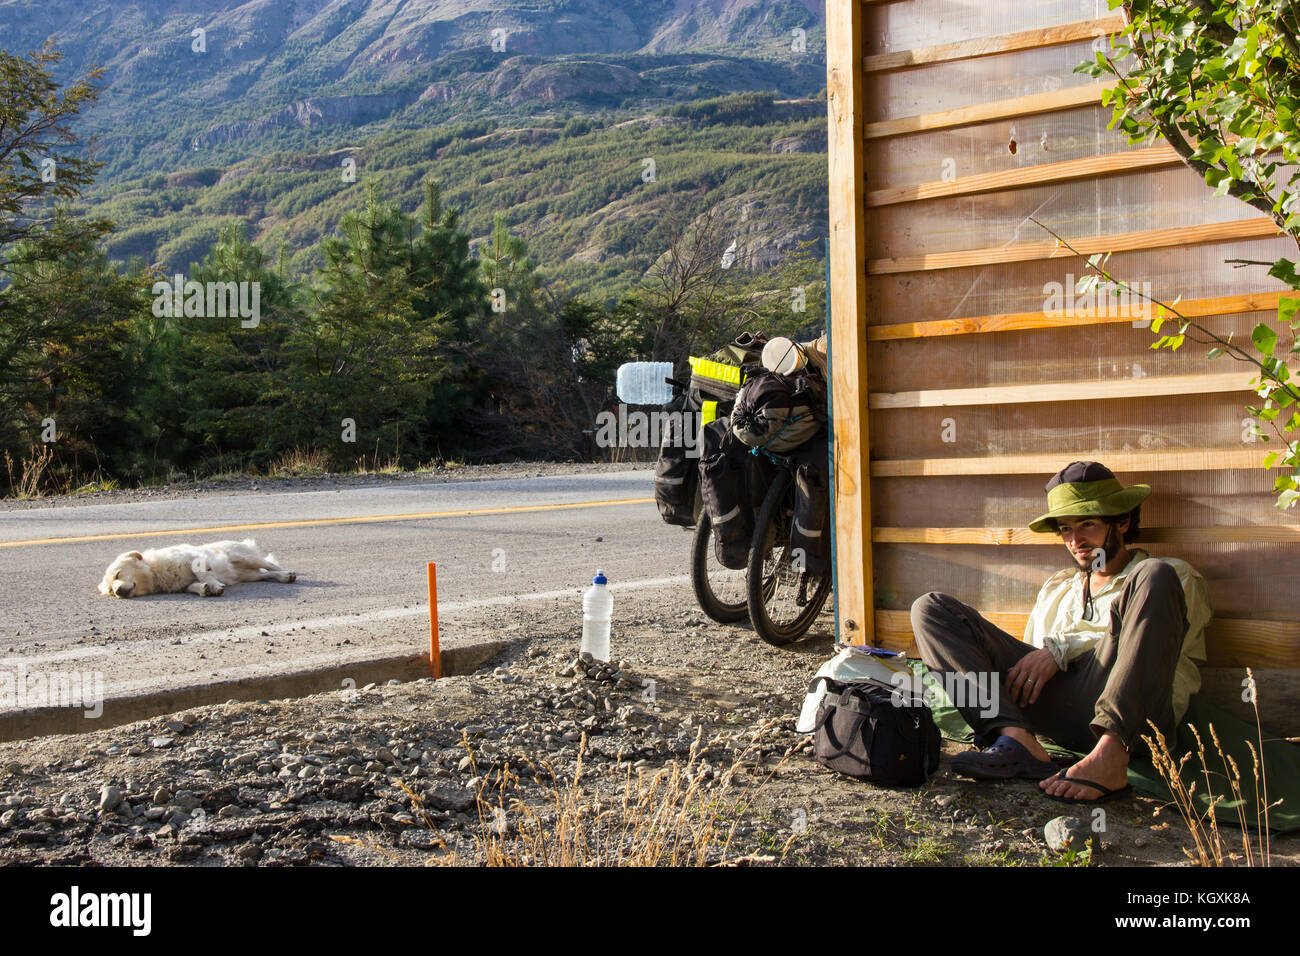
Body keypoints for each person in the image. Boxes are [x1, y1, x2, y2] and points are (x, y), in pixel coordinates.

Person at [910, 461, 1211, 803]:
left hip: (1132, 712)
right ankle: (1016, 740)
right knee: (930, 608)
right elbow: (1032, 665)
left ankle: (1110, 754)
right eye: (1066, 529)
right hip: (1060, 713)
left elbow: (1152, 651)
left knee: (1153, 572)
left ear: (1123, 522)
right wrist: (1041, 658)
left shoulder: (1168, 577)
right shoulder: (1058, 588)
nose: (1076, 540)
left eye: (1087, 524)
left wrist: (1059, 650)